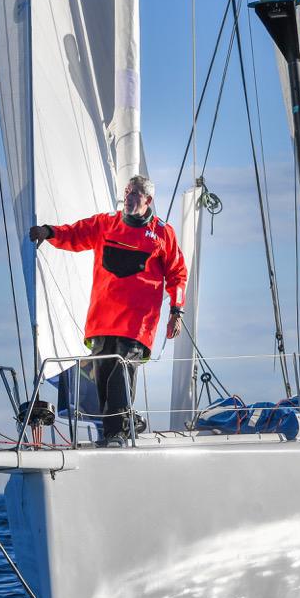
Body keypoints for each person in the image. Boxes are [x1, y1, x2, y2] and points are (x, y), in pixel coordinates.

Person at [30, 176, 186, 446]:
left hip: (137, 324)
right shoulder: (106, 224)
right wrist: (48, 232)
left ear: (148, 200)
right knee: (102, 377)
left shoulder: (162, 233)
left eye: (135, 193)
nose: (128, 196)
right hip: (102, 321)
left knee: (120, 373)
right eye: (127, 191)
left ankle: (117, 432)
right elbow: (75, 234)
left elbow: (177, 273)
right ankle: (115, 429)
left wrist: (176, 310)